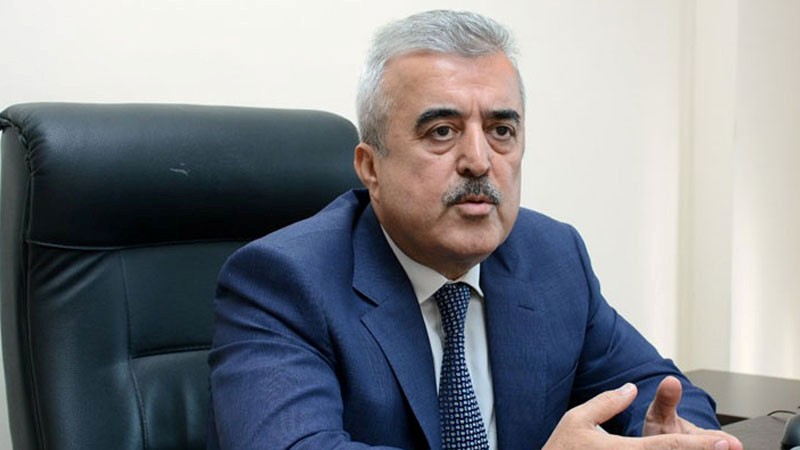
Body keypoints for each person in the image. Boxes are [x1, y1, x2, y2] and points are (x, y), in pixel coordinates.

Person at [207, 9, 743, 450]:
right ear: (371, 167)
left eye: (501, 130)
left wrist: (671, 436)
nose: (479, 161)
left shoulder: (552, 256)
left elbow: (656, 385)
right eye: (442, 131)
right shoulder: (283, 282)